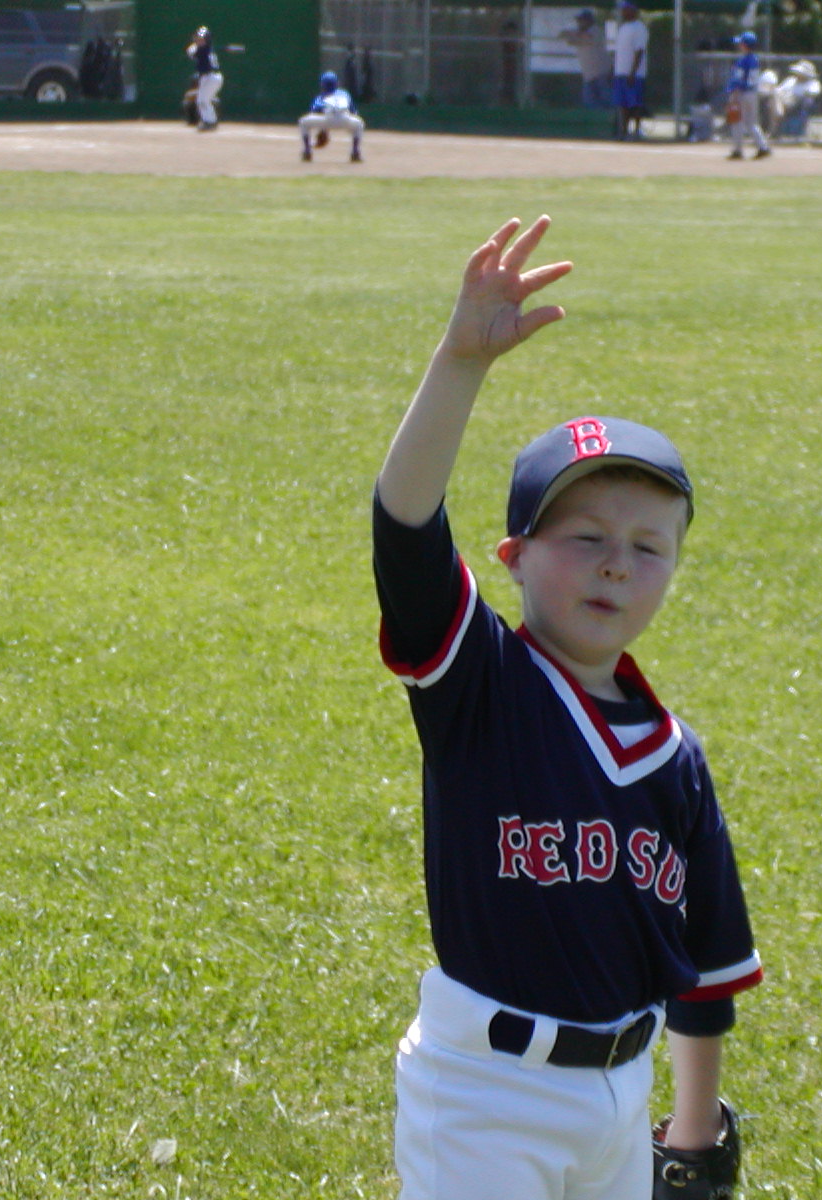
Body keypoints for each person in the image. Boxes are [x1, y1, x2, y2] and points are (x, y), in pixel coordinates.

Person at [375, 214, 762, 1200]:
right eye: (584, 535)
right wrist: (460, 364)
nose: (614, 564)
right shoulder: (481, 684)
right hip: (483, 1093)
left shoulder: (674, 758)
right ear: (513, 557)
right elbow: (405, 527)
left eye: (647, 546)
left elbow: (703, 965)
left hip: (622, 1100)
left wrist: (691, 1125)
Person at [724, 31, 770, 160]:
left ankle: (737, 150)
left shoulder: (743, 60)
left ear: (745, 45)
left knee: (736, 121)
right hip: (752, 93)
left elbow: (739, 79)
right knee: (751, 123)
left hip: (742, 93)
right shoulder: (754, 59)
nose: (739, 45)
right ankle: (763, 147)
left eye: (741, 43)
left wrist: (734, 93)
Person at [300, 71, 364, 163]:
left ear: (322, 84)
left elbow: (315, 111)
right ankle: (355, 152)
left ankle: (307, 151)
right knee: (359, 124)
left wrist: (323, 130)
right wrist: (350, 127)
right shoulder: (344, 94)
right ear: (336, 83)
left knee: (303, 122)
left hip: (328, 120)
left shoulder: (321, 97)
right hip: (345, 119)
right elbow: (354, 112)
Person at [558, 9, 613, 109]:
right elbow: (567, 38)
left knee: (607, 101)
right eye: (578, 20)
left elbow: (587, 37)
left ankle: (615, 117)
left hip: (602, 73)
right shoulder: (581, 33)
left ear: (589, 21)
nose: (579, 23)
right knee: (590, 103)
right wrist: (568, 34)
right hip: (589, 75)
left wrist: (570, 33)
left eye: (582, 20)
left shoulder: (595, 30)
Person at [611, 1, 649, 139]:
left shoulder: (639, 28)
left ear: (633, 11)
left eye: (626, 9)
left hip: (634, 74)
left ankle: (637, 131)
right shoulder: (623, 28)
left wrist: (633, 72)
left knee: (635, 104)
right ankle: (624, 131)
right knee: (622, 104)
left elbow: (639, 51)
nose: (623, 12)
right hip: (620, 72)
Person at [186, 25, 221, 131]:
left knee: (203, 100)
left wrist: (193, 49)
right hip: (207, 78)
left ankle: (210, 122)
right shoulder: (205, 49)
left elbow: (191, 52)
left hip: (211, 77)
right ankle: (209, 121)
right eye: (198, 39)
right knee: (201, 100)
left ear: (207, 40)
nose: (198, 41)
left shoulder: (203, 50)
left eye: (201, 39)